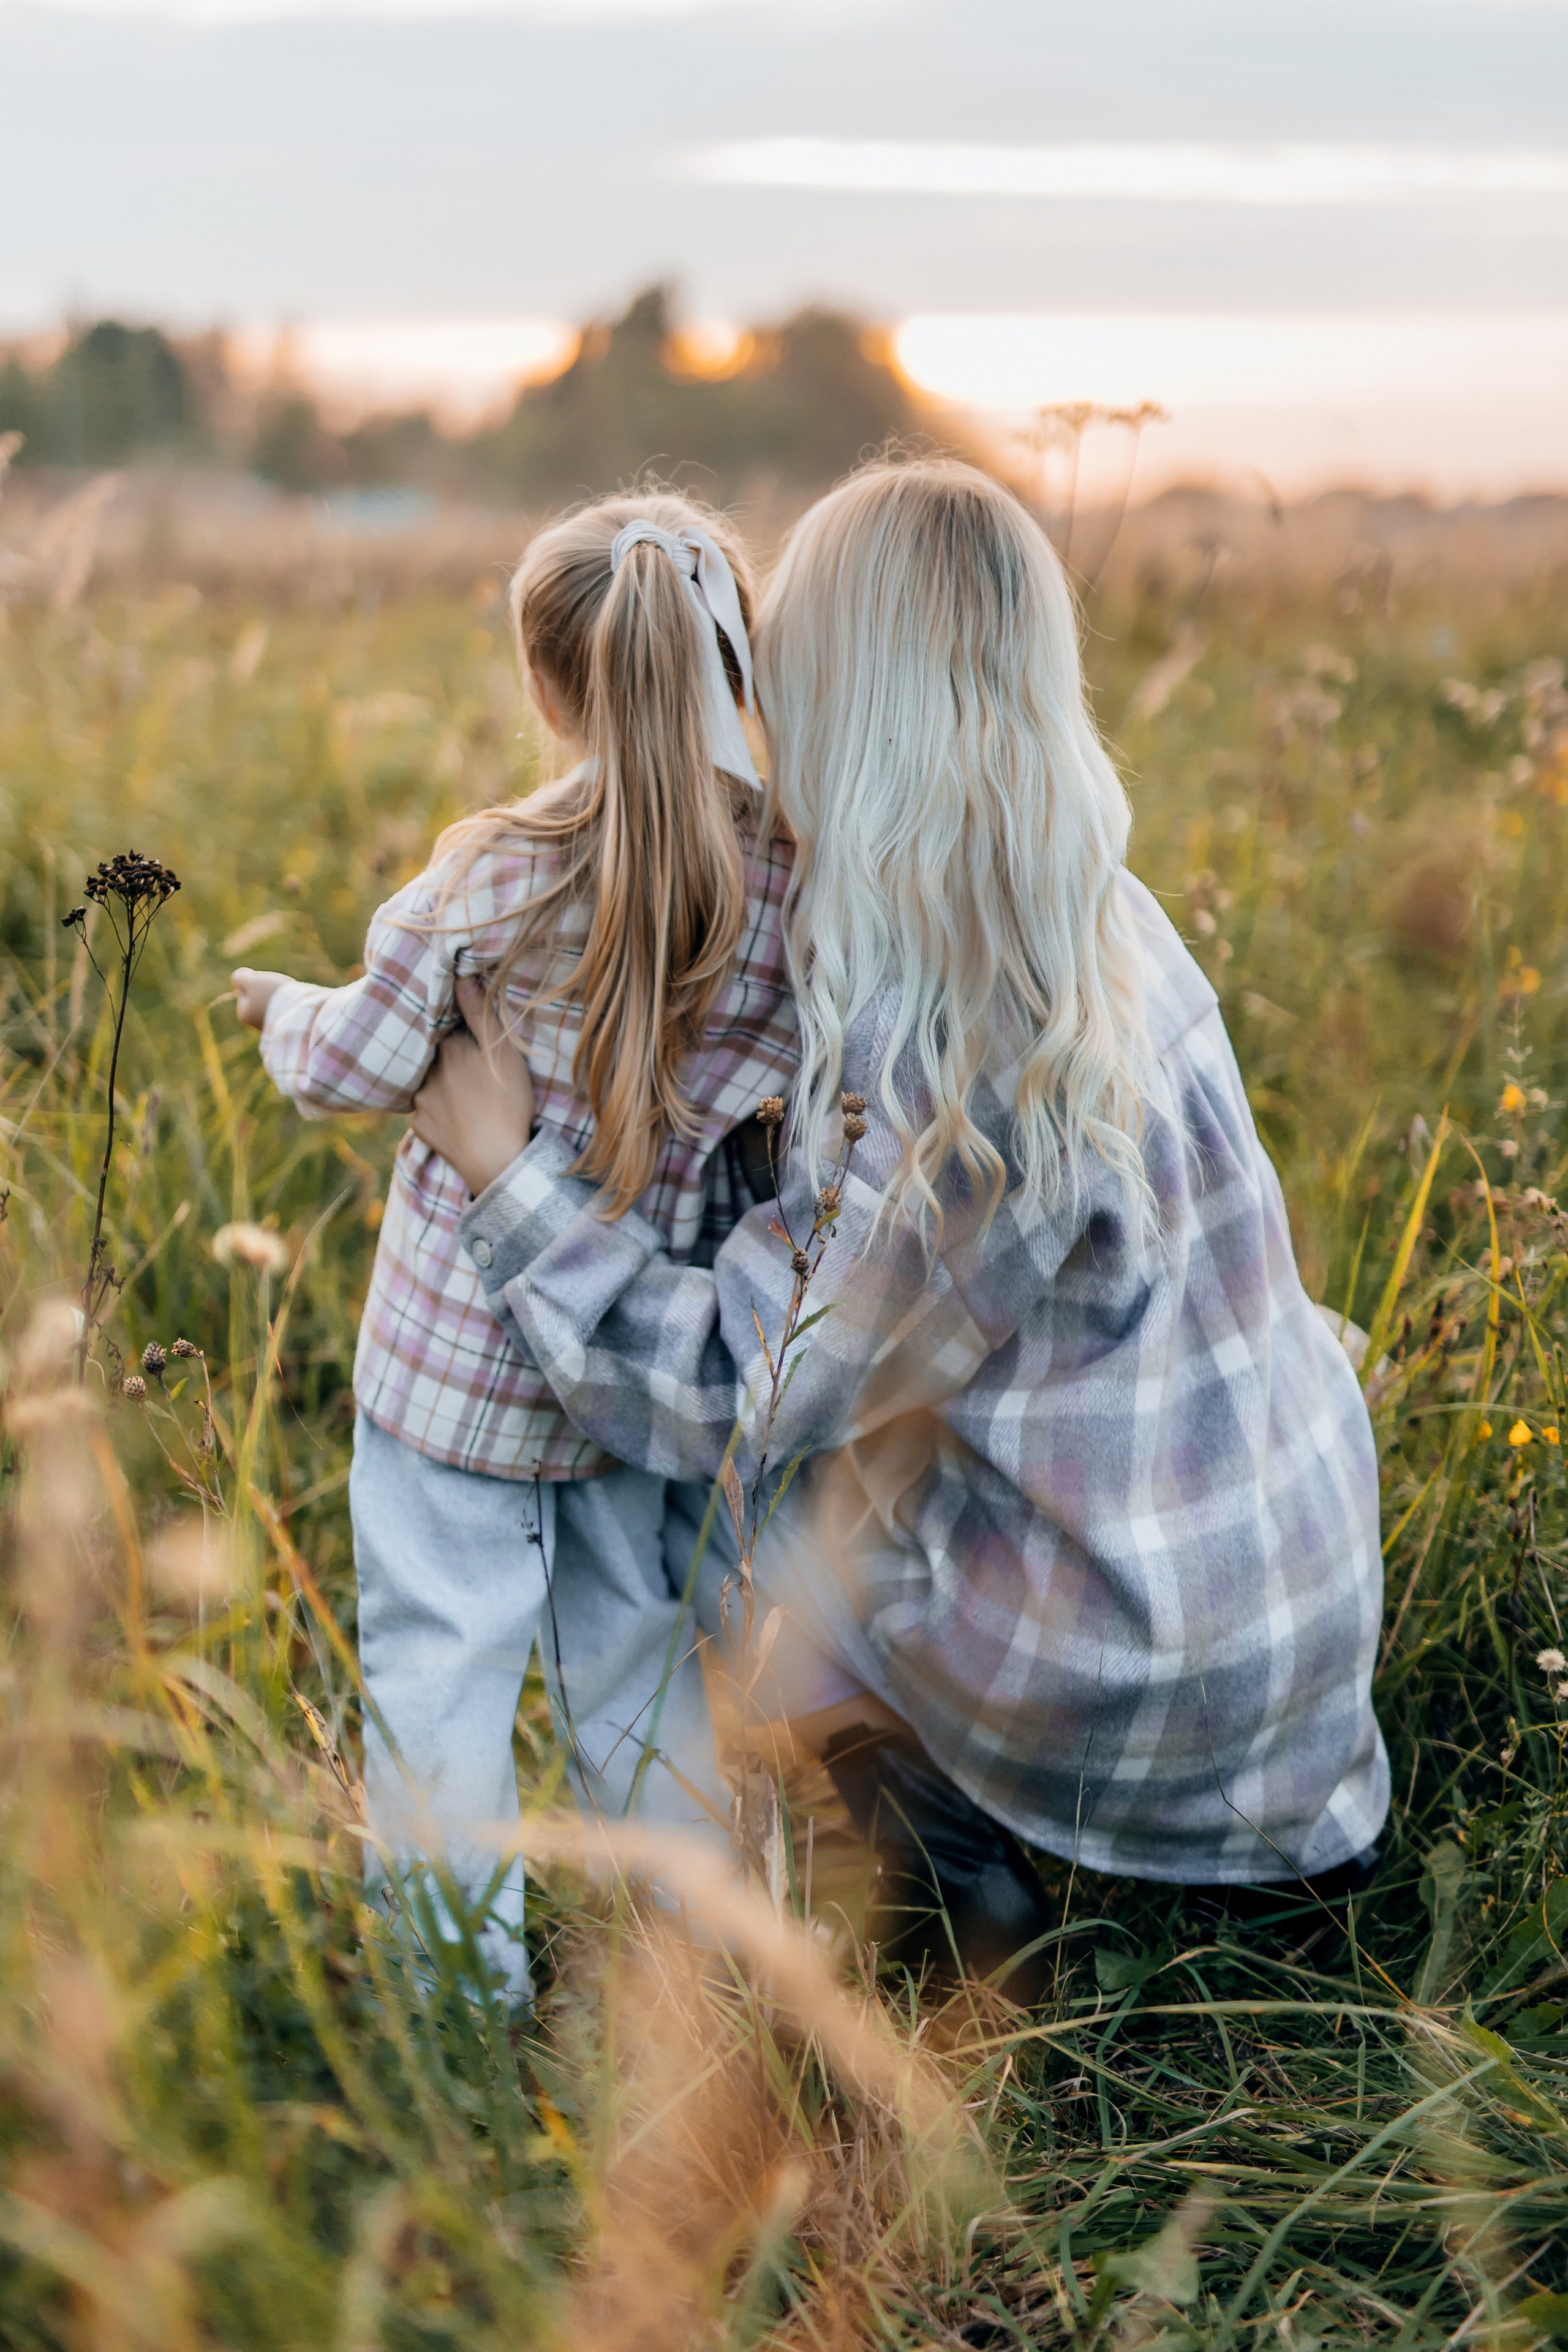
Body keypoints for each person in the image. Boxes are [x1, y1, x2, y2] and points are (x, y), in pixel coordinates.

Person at [409, 459, 1390, 1990]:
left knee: (742, 1544)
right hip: (1280, 1671)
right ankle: (1196, 1847)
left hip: (1137, 1693)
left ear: (842, 713)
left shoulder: (941, 1062)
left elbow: (731, 1395)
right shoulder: (1093, 914)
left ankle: (971, 1886)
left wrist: (507, 1182)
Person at [232, 492, 797, 2003]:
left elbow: (357, 1069)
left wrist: (280, 1006)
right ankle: (688, 1976)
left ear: (545, 688)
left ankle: (447, 2010)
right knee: (639, 1677)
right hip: (637, 1370)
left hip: (455, 1372)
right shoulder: (794, 882)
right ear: (736, 670)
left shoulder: (491, 869)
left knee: (441, 1684)